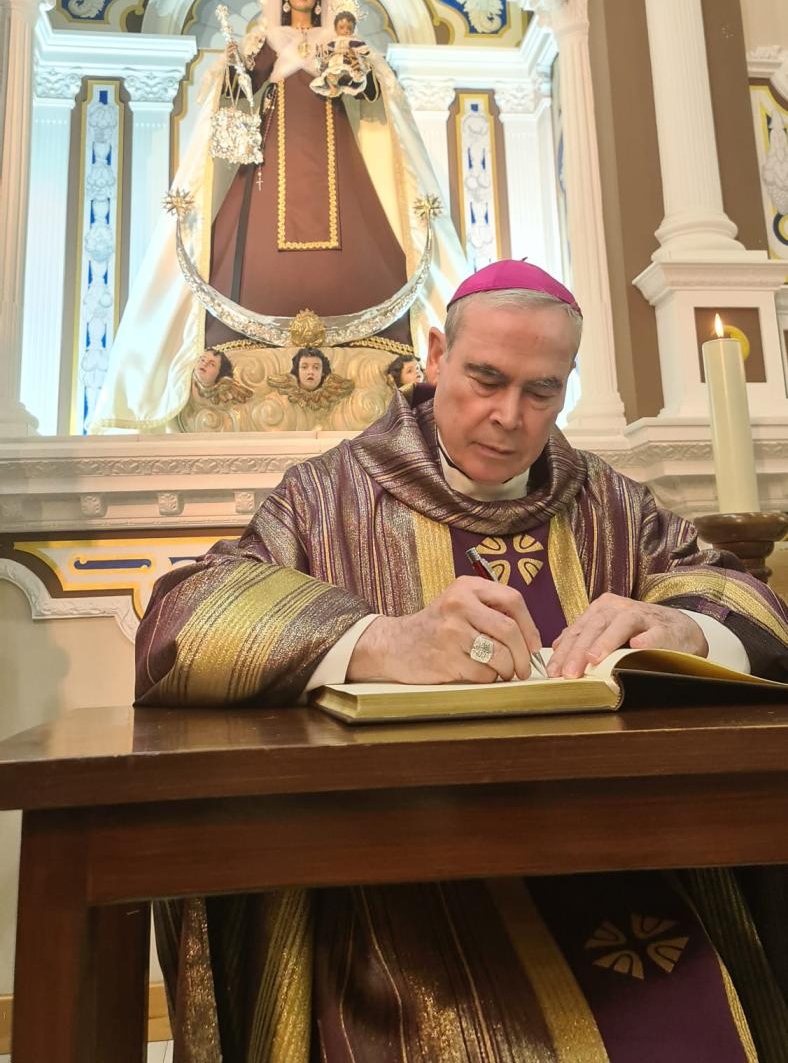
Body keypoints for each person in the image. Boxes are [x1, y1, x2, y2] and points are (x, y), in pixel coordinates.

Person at [136, 260, 788, 1061]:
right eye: (484, 378)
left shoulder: (611, 504)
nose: (508, 416)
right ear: (437, 355)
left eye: (541, 391)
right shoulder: (327, 496)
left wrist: (686, 627)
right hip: (398, 884)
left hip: (614, 857)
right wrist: (380, 640)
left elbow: (742, 597)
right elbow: (181, 620)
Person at [90, 0, 469, 432]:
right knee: (243, 240)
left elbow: (376, 101)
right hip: (266, 167)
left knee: (367, 232)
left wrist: (354, 76)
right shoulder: (259, 40)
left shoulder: (343, 42)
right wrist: (246, 71)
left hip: (338, 155)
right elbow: (232, 97)